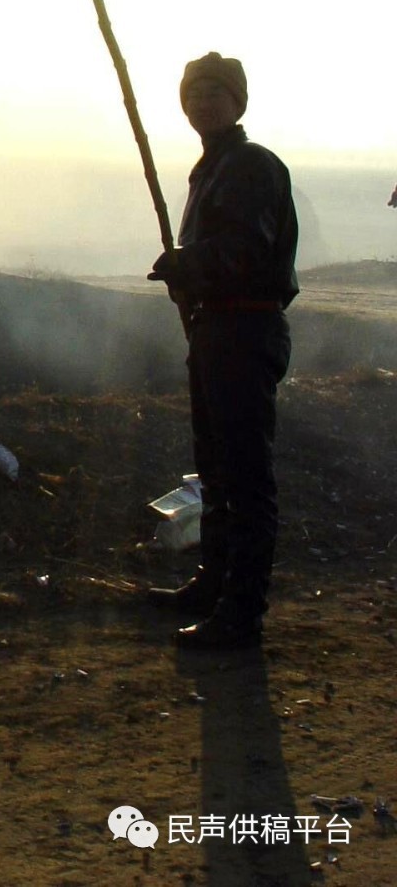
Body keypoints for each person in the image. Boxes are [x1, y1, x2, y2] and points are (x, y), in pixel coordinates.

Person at [146, 52, 298, 650]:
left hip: (245, 331)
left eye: (214, 92)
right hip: (217, 332)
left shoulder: (251, 167)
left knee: (244, 474)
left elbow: (245, 250)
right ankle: (214, 583)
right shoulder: (212, 169)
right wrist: (187, 280)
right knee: (215, 469)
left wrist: (190, 264)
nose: (202, 102)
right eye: (193, 93)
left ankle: (243, 609)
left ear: (238, 102)